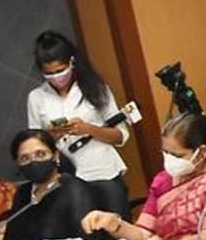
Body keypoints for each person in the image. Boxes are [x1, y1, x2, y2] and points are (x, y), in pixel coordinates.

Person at [80, 112, 206, 240]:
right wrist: (114, 224)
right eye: (165, 152)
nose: (169, 160)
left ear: (201, 152)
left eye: (177, 155)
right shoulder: (163, 180)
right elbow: (143, 235)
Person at [25, 31, 129, 215]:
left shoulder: (96, 87)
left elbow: (120, 135)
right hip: (64, 179)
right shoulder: (36, 97)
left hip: (103, 171)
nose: (56, 77)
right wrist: (51, 137)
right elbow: (33, 146)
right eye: (49, 74)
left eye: (60, 70)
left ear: (71, 62)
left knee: (116, 225)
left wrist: (88, 129)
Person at [0, 129, 105, 240]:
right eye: (25, 158)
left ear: (55, 156)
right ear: (18, 164)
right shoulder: (23, 193)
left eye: (40, 154)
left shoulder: (75, 190)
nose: (34, 162)